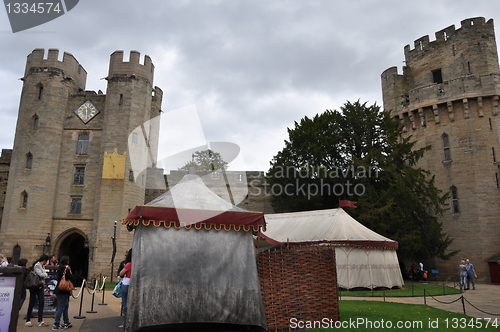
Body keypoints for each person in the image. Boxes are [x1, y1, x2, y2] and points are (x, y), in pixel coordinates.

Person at [26, 254, 50, 327]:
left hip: (40, 286)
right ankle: (28, 320)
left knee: (42, 302)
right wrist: (45, 274)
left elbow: (42, 274)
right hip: (34, 286)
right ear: (45, 260)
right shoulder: (37, 265)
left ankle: (40, 320)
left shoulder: (42, 266)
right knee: (32, 302)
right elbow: (41, 274)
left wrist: (44, 273)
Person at [52, 256, 75, 330]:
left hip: (60, 290)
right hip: (63, 291)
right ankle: (56, 324)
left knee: (65, 306)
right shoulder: (65, 270)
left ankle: (66, 321)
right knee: (61, 307)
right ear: (67, 262)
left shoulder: (59, 269)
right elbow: (72, 278)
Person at [119, 249, 132, 328]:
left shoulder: (129, 264)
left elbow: (121, 273)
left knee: (125, 304)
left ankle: (126, 322)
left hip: (127, 284)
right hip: (136, 284)